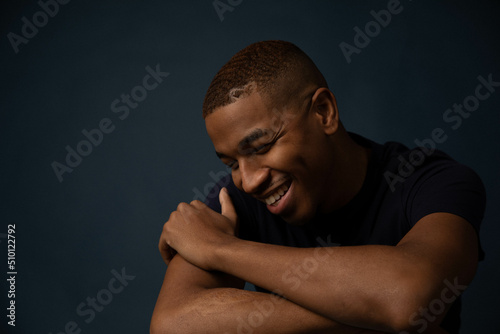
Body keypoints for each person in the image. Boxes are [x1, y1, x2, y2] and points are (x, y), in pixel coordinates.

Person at [150, 40, 486, 333]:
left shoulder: (433, 181)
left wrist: (220, 250)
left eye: (262, 146)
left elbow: (407, 296)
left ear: (324, 112)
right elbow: (171, 325)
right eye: (231, 164)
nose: (249, 180)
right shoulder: (232, 204)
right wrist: (374, 315)